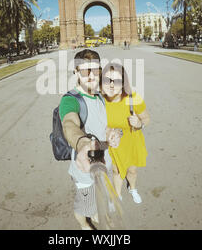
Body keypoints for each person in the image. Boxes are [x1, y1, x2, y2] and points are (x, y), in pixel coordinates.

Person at [59, 49, 121, 229]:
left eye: (95, 70)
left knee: (99, 208)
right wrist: (83, 144)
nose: (91, 76)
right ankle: (85, 225)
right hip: (85, 171)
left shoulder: (100, 97)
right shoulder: (70, 100)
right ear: (76, 72)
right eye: (85, 71)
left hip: (105, 165)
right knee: (88, 210)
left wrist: (113, 132)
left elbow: (103, 124)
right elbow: (69, 124)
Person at [101, 63, 150, 204]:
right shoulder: (100, 100)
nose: (111, 85)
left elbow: (147, 118)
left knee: (132, 171)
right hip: (113, 143)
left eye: (116, 81)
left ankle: (132, 188)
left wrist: (139, 124)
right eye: (107, 80)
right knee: (116, 171)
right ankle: (117, 194)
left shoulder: (133, 98)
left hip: (132, 142)